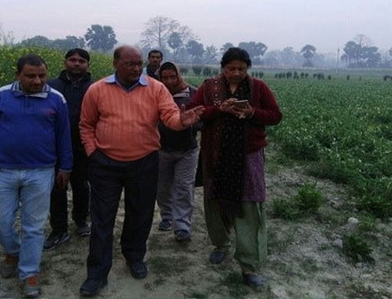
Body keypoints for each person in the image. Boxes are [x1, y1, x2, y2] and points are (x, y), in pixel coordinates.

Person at [78, 45, 203, 297]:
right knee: (102, 218)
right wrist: (93, 152)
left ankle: (134, 256)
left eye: (139, 63)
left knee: (140, 214)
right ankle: (97, 273)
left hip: (144, 162)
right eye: (130, 64)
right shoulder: (97, 89)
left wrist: (181, 122)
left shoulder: (155, 88)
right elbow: (86, 124)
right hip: (105, 165)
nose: (136, 68)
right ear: (115, 64)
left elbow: (170, 115)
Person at [0, 54, 73, 298]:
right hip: (4, 170)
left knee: (34, 227)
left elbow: (63, 137)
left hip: (41, 171)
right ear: (17, 75)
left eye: (42, 76)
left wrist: (66, 167)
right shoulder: (1, 96)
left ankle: (29, 272)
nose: (37, 81)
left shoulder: (56, 99)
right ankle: (13, 250)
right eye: (30, 76)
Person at [188, 47, 282, 289]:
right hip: (215, 155)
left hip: (248, 157)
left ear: (248, 68)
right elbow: (193, 112)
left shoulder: (258, 88)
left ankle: (249, 265)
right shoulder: (209, 87)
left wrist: (252, 112)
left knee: (250, 206)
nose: (237, 73)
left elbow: (275, 115)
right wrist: (219, 109)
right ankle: (221, 244)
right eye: (231, 68)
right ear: (223, 68)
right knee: (215, 201)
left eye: (241, 68)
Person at [44, 48, 93, 249]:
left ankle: (81, 220)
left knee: (81, 186)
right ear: (65, 62)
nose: (77, 63)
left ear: (88, 65)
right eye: (72, 59)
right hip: (54, 147)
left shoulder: (94, 88)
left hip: (82, 146)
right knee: (57, 188)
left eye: (81, 60)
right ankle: (59, 229)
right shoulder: (50, 87)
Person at [156, 62, 200, 242]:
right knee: (162, 186)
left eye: (173, 77)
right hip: (161, 149)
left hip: (187, 150)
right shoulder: (155, 94)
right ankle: (167, 216)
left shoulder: (193, 93)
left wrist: (188, 123)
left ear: (179, 75)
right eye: (164, 77)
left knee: (184, 187)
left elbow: (202, 118)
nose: (169, 81)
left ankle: (182, 226)